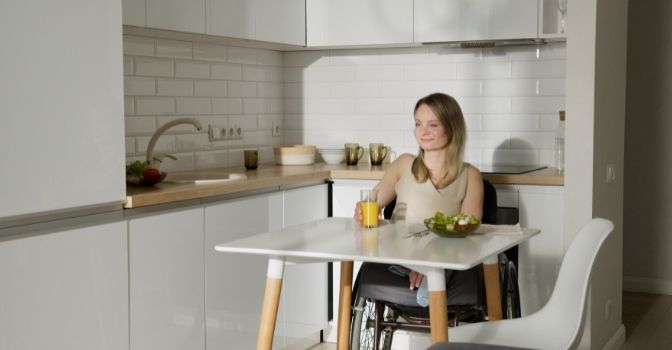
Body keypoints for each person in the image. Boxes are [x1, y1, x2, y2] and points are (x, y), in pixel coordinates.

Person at [355, 92, 484, 296]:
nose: (423, 132)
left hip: (445, 256)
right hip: (400, 253)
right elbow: (369, 203)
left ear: (452, 128)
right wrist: (361, 213)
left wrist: (429, 260)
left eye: (433, 125)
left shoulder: (470, 176)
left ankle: (429, 275)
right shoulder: (404, 164)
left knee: (444, 270)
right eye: (418, 124)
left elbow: (466, 231)